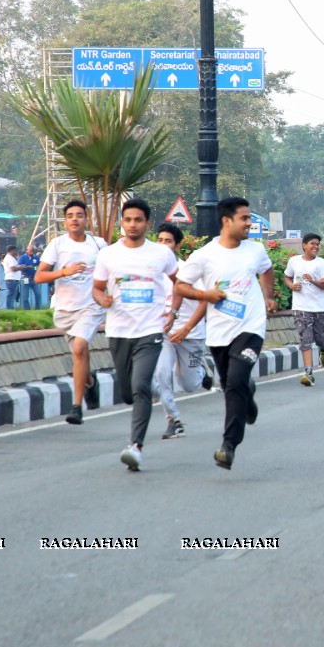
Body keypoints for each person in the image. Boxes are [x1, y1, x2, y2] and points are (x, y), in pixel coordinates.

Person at [175, 197, 275, 471]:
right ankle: (248, 399)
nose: (249, 223)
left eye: (249, 217)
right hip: (219, 332)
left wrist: (268, 297)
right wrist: (204, 294)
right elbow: (180, 286)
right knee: (236, 385)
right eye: (244, 218)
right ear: (226, 221)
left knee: (234, 382)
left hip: (250, 328)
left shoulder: (254, 250)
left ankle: (229, 445)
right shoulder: (204, 256)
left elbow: (267, 271)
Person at [91, 199, 178, 471]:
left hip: (150, 331)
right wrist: (101, 298)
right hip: (118, 331)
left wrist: (172, 311)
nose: (132, 225)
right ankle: (145, 390)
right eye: (128, 220)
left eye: (138, 220)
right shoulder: (108, 255)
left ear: (147, 223)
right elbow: (96, 288)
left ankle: (136, 447)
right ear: (122, 223)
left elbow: (180, 283)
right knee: (129, 393)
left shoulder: (161, 254)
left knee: (139, 387)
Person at [36, 200, 108, 425]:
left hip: (91, 306)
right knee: (80, 353)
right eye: (70, 216)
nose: (75, 219)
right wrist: (64, 272)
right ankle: (89, 381)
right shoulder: (57, 245)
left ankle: (76, 407)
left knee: (79, 347)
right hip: (65, 310)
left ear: (87, 220)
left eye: (79, 215)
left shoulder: (99, 245)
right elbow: (39, 276)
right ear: (65, 221)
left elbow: (112, 271)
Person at [153, 223, 213, 441]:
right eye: (159, 240)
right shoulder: (151, 271)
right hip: (164, 333)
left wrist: (187, 328)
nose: (162, 245)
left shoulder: (188, 271)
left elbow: (205, 302)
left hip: (191, 334)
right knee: (161, 374)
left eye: (168, 241)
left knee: (189, 385)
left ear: (177, 246)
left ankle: (202, 372)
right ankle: (173, 421)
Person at [284, 232, 324, 386]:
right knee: (305, 339)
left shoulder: (321, 263)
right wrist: (292, 285)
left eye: (318, 244)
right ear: (304, 245)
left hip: (319, 307)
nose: (316, 247)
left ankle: (323, 350)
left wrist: (313, 281)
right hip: (300, 307)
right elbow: (287, 277)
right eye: (313, 243)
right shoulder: (294, 261)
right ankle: (308, 373)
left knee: (319, 338)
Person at [18, 245, 41, 310]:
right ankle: (27, 309)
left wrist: (34, 268)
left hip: (34, 278)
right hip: (25, 278)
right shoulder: (23, 257)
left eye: (32, 251)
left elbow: (39, 267)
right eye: (30, 251)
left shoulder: (36, 258)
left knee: (38, 294)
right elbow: (19, 267)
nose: (31, 253)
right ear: (27, 250)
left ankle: (37, 309)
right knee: (25, 296)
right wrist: (27, 267)